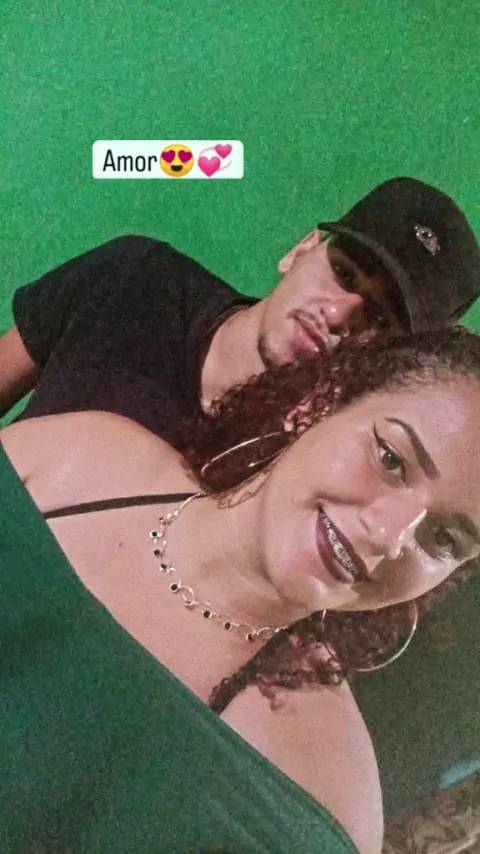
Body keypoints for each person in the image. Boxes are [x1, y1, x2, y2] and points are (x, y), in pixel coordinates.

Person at [1, 326, 480, 854]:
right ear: (319, 405)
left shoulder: (323, 803)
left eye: (445, 538)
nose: (390, 535)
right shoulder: (84, 456)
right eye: (390, 459)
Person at [0, 177, 479, 439]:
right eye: (344, 273)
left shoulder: (314, 468)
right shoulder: (134, 278)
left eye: (379, 318)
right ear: (301, 249)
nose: (337, 316)